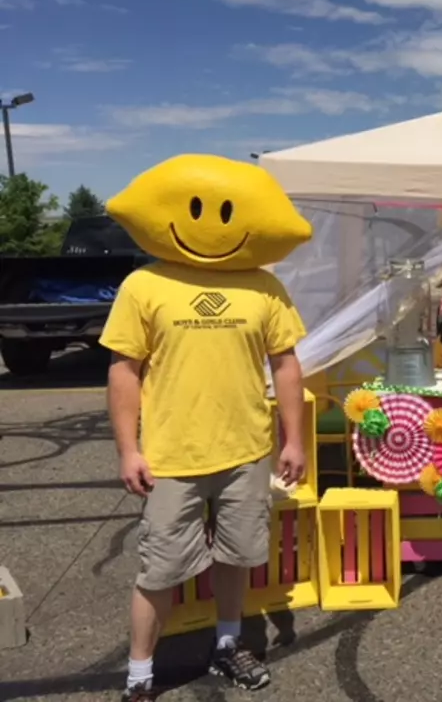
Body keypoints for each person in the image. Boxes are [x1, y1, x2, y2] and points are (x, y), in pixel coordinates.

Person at [99, 154, 313, 702]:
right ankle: (140, 674)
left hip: (246, 450)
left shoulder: (264, 285)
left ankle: (226, 643)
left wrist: (293, 439)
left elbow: (285, 364)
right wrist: (129, 449)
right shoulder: (144, 284)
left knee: (237, 556)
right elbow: (124, 370)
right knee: (160, 569)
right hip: (172, 455)